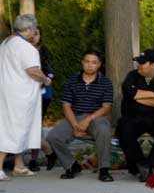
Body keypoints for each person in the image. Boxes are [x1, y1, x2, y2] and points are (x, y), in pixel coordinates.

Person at [46, 50, 115, 182]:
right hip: (75, 117)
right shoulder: (72, 80)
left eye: (94, 62)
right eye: (87, 62)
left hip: (96, 118)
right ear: (82, 63)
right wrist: (75, 125)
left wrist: (88, 120)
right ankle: (72, 166)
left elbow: (106, 107)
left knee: (104, 130)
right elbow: (66, 106)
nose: (90, 65)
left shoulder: (105, 82)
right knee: (53, 137)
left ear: (99, 65)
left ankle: (104, 170)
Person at [0, 14, 50, 181]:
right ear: (28, 30)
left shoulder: (6, 43)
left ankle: (19, 165)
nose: (34, 32)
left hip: (7, 91)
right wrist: (46, 79)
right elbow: (33, 70)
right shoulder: (26, 47)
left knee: (18, 129)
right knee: (11, 130)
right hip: (19, 94)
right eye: (34, 29)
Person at [116, 49, 154, 182]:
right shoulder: (132, 75)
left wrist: (139, 97)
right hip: (135, 116)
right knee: (123, 128)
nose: (139, 65)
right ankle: (140, 164)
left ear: (153, 65)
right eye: (138, 62)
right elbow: (128, 92)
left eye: (142, 63)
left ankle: (152, 165)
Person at [28, 27, 56, 172]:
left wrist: (46, 79)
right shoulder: (21, 50)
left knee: (35, 126)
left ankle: (34, 159)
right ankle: (49, 152)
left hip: (42, 93)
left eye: (37, 33)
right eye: (31, 32)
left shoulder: (44, 51)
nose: (33, 36)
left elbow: (50, 71)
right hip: (23, 93)